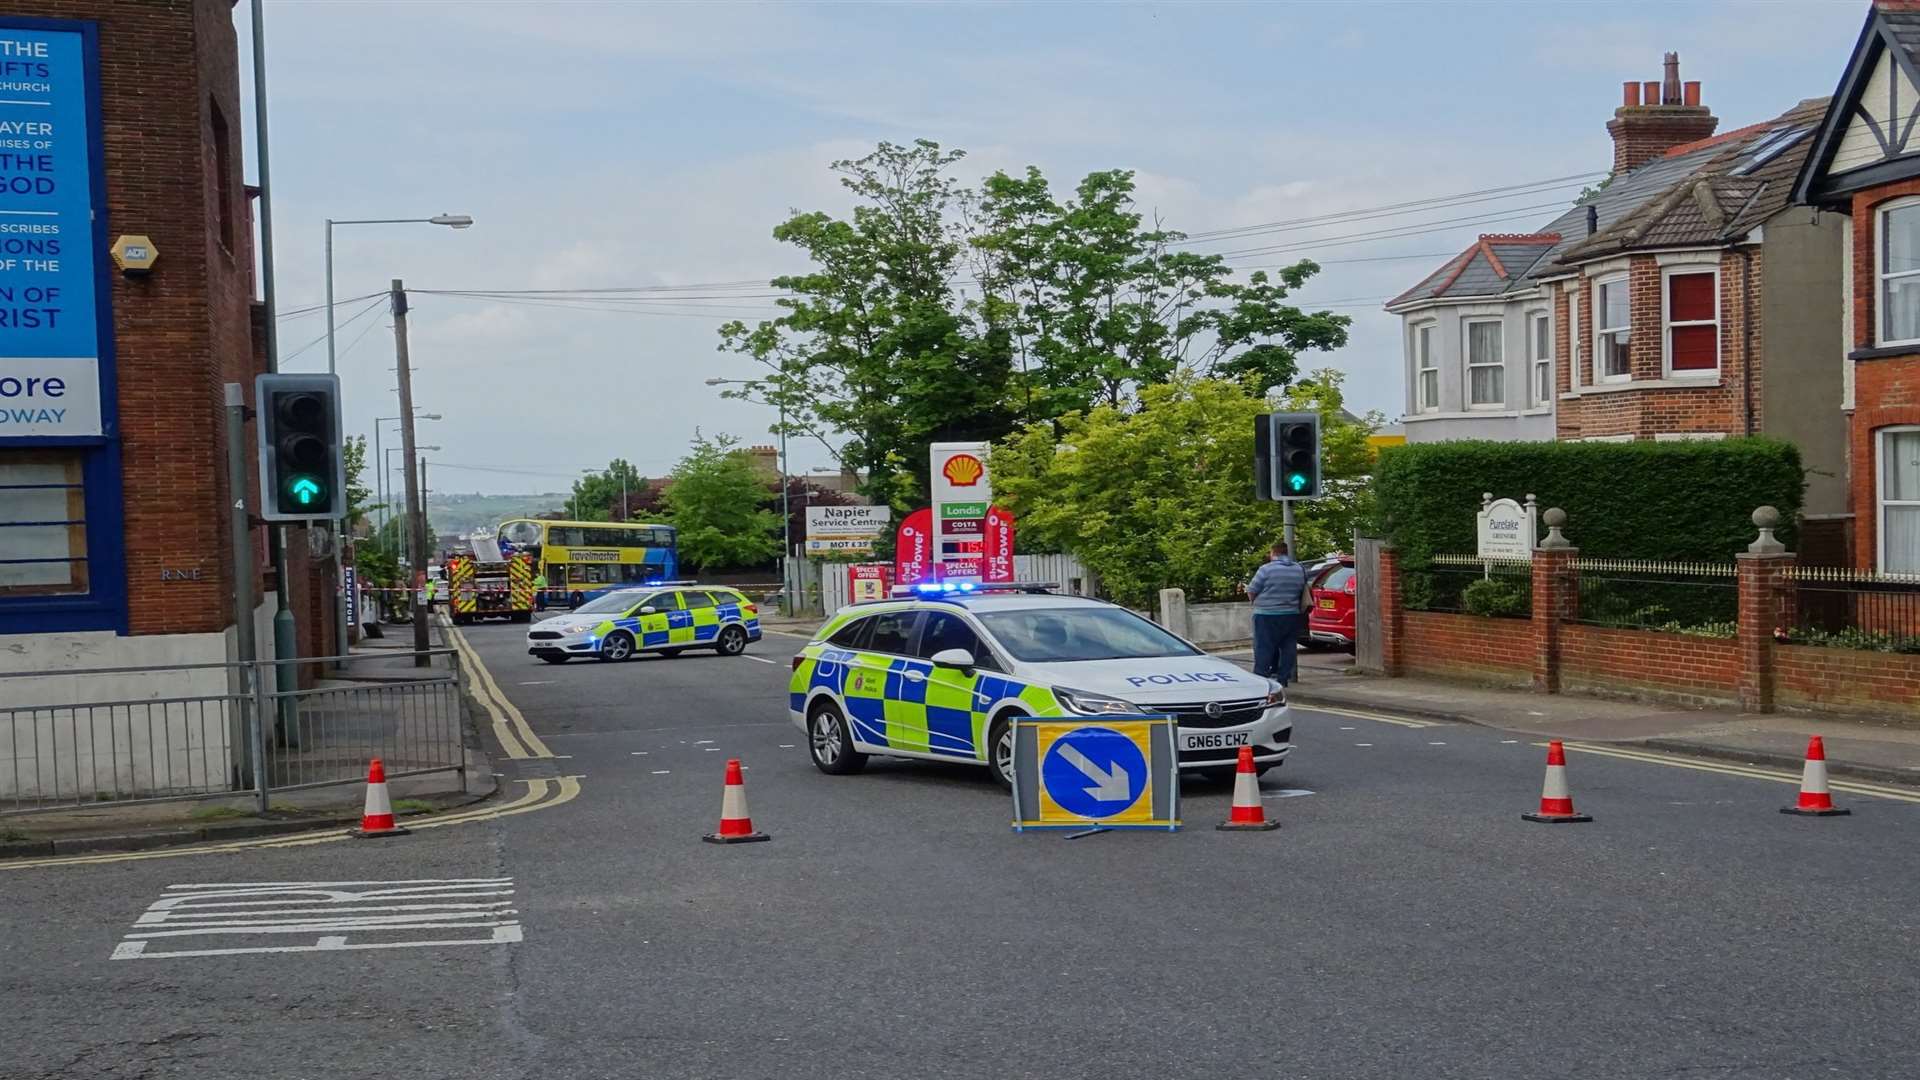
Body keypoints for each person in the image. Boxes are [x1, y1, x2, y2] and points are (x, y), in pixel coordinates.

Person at [1246, 541, 1309, 686]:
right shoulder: (1299, 569)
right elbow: (1302, 589)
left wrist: (1257, 602)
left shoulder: (1266, 569)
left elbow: (1251, 591)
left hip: (1266, 614)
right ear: (1286, 552)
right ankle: (1283, 678)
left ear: (1273, 553)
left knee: (1264, 647)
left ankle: (1261, 677)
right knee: (1288, 646)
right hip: (1291, 614)